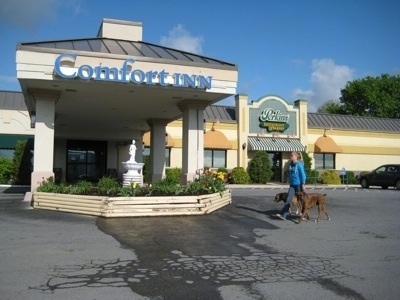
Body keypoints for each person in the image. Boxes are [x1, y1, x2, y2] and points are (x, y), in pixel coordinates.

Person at [276, 151, 306, 220]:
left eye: (292, 155)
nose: (290, 157)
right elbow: (290, 174)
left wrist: (303, 184)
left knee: (302, 200)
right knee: (288, 199)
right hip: (292, 185)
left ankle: (303, 215)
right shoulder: (290, 164)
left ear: (296, 156)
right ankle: (283, 215)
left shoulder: (299, 164)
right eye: (290, 155)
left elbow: (302, 174)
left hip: (299, 184)